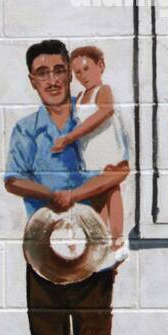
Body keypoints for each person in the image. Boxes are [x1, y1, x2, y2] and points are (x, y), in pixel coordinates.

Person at [3, 39, 130, 335]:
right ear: (32, 80)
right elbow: (13, 179)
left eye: (59, 70)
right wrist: (49, 195)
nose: (53, 80)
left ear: (70, 74)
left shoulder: (92, 114)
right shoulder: (26, 129)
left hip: (92, 256)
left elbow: (119, 170)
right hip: (43, 257)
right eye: (43, 73)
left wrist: (76, 195)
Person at [51, 46, 130, 263]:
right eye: (77, 72)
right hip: (90, 158)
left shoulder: (102, 90)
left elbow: (104, 112)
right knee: (97, 201)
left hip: (110, 154)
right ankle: (102, 243)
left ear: (101, 66)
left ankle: (117, 241)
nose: (83, 76)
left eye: (86, 69)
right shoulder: (79, 97)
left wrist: (69, 138)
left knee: (111, 190)